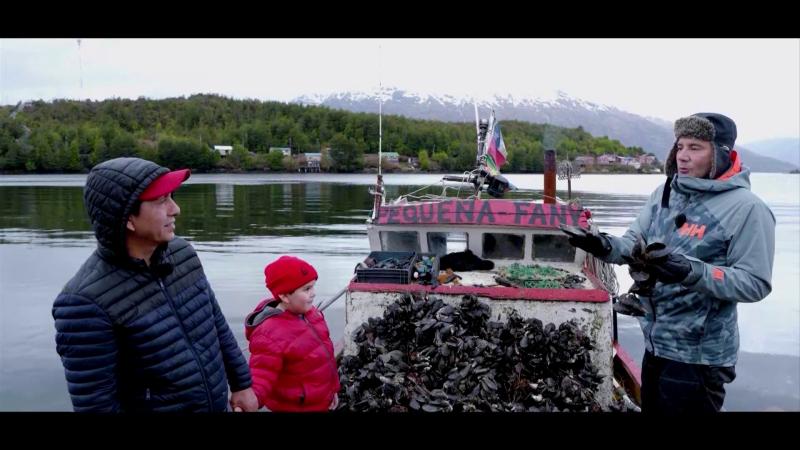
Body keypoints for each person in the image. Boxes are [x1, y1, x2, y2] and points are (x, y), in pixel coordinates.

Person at [562, 113, 775, 412]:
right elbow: (633, 244)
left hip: (699, 360)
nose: (683, 157)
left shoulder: (747, 209)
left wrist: (690, 271)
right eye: (680, 146)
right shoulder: (665, 192)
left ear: (722, 154)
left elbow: (755, 283)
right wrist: (603, 244)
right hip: (655, 346)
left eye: (695, 148)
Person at [52, 157, 258, 412]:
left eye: (171, 197)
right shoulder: (84, 303)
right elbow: (96, 404)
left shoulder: (182, 254)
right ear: (128, 218)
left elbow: (215, 323)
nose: (175, 209)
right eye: (162, 200)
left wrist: (242, 384)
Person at [245, 255, 340, 411]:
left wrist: (332, 390)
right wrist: (250, 401)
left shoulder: (312, 315)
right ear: (284, 296)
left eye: (313, 286)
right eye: (307, 289)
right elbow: (261, 376)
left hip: (322, 401)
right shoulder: (269, 335)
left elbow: (326, 359)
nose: (313, 293)